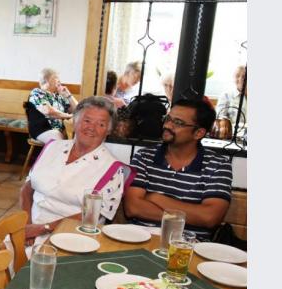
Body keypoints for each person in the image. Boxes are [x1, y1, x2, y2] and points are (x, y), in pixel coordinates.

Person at [20, 96, 132, 253]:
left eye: (101, 124)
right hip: (30, 227)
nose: (91, 128)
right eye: (87, 120)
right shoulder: (52, 147)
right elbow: (27, 189)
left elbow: (92, 216)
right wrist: (27, 226)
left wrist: (41, 229)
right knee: (2, 258)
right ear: (74, 121)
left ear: (108, 130)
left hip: (73, 237)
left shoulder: (112, 169)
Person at [125, 99, 233, 241]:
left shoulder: (218, 165)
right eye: (168, 119)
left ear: (198, 133)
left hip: (188, 246)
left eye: (178, 122)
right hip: (140, 239)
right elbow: (133, 208)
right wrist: (190, 215)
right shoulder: (144, 157)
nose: (167, 125)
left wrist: (155, 197)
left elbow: (209, 217)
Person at [27, 68, 78, 143]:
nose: (59, 81)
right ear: (47, 80)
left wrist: (68, 95)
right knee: (59, 143)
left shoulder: (58, 96)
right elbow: (48, 111)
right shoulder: (37, 93)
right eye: (56, 77)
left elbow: (79, 110)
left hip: (60, 131)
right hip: (43, 129)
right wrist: (69, 116)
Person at [216, 65, 247, 129]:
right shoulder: (226, 96)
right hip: (235, 132)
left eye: (244, 76)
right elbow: (220, 117)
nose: (241, 79)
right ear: (233, 78)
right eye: (237, 76)